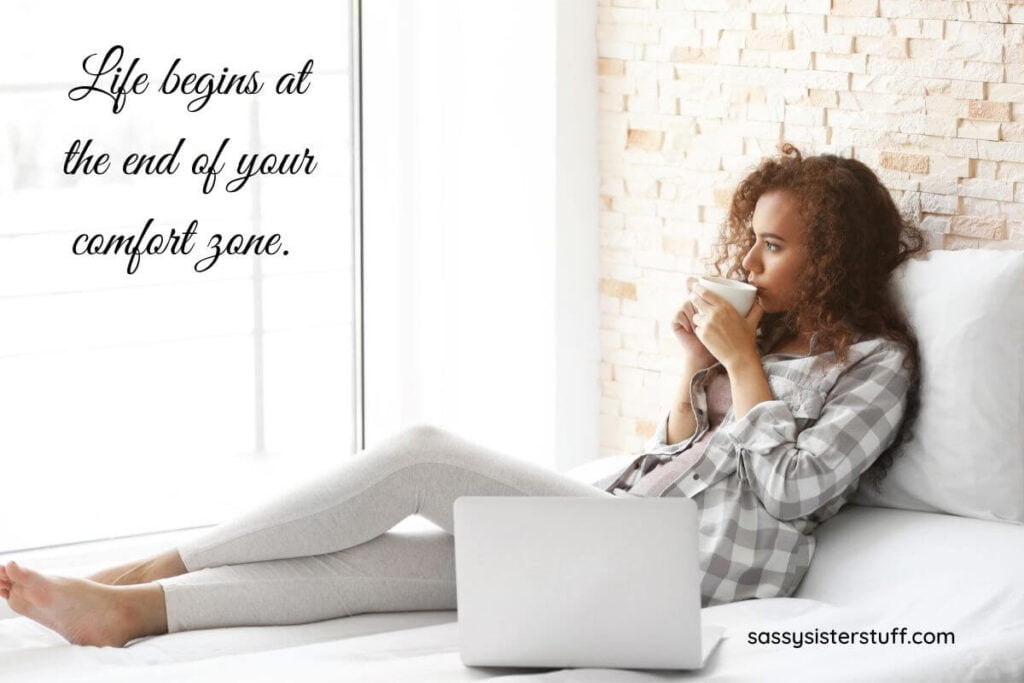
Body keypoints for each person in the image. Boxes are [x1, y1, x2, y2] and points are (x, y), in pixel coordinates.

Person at [0, 142, 926, 647]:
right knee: (369, 568)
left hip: (682, 575)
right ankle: (124, 611)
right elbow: (682, 451)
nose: (751, 262)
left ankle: (151, 565)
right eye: (753, 239)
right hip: (623, 530)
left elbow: (794, 491)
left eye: (775, 245)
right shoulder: (757, 336)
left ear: (833, 256)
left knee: (421, 452)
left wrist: (747, 371)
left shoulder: (875, 364)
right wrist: (692, 371)